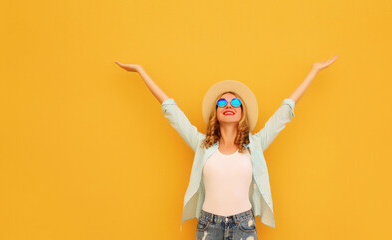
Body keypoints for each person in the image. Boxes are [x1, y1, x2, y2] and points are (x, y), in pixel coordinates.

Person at [115, 56, 338, 239]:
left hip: (244, 226)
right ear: (216, 113)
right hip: (208, 226)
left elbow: (286, 110)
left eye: (234, 102)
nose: (228, 105)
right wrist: (141, 71)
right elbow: (171, 111)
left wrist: (314, 71)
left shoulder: (255, 145)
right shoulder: (202, 145)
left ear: (242, 112)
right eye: (222, 102)